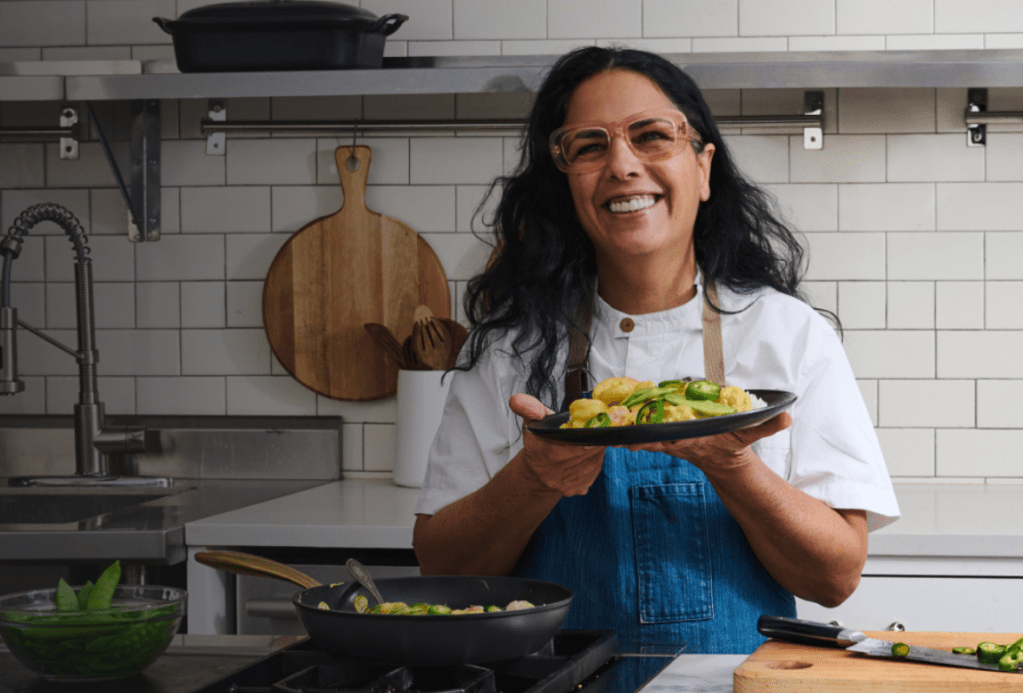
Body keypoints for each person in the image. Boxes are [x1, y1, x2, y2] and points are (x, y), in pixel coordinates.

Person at [412, 46, 899, 654]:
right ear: (565, 183)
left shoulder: (789, 335)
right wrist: (534, 475)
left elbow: (834, 578)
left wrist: (735, 466)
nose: (621, 165)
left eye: (651, 136)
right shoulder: (514, 350)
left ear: (703, 168)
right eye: (589, 146)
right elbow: (442, 569)